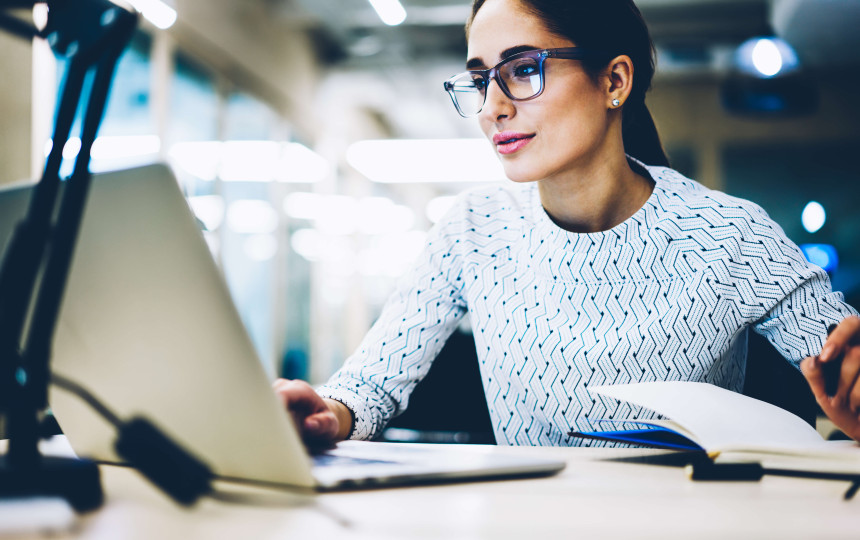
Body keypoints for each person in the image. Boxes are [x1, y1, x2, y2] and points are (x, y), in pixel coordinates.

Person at [273, 0, 860, 446]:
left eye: (523, 70)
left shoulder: (729, 236)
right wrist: (329, 413)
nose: (492, 106)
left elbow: (846, 367)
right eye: (480, 79)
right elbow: (370, 385)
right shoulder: (474, 230)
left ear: (614, 81)